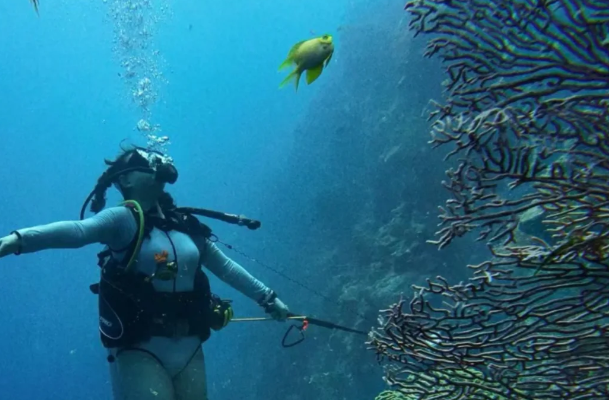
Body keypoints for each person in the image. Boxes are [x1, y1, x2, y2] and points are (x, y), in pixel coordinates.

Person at [0, 146, 290, 400]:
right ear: (124, 179)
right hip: (141, 349)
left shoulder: (185, 224)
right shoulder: (123, 220)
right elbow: (78, 232)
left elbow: (225, 268)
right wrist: (17, 240)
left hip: (190, 345)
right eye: (145, 160)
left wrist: (267, 297)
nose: (155, 162)